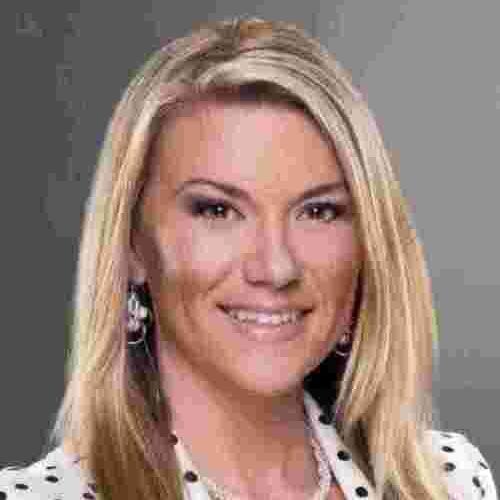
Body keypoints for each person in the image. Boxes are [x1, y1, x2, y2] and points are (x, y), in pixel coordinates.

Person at [0, 16, 497, 500]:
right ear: (132, 244)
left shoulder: (451, 482)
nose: (275, 268)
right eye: (217, 210)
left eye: (319, 211)